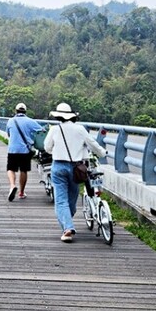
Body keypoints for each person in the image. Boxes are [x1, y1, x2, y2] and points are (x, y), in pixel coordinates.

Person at [43, 102, 107, 242]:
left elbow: (47, 147)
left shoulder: (54, 129)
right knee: (72, 198)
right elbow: (93, 144)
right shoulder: (80, 129)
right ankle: (68, 224)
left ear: (58, 116)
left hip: (58, 167)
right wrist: (102, 153)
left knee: (61, 200)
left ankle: (67, 227)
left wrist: (57, 151)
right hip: (76, 168)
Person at [5, 103, 43, 202]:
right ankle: (21, 193)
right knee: (23, 170)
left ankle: (12, 186)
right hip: (25, 150)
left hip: (12, 149)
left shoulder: (10, 121)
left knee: (11, 169)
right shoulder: (30, 121)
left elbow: (8, 134)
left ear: (16, 111)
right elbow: (42, 130)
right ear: (25, 111)